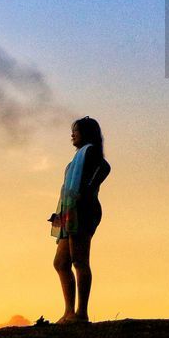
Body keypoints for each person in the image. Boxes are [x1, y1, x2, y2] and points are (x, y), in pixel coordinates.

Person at [50, 116, 111, 324]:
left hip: (83, 210)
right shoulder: (77, 157)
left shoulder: (91, 151)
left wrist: (86, 191)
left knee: (79, 260)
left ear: (86, 132)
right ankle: (69, 312)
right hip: (70, 211)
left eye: (75, 130)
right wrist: (59, 214)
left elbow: (104, 167)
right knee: (61, 262)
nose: (72, 134)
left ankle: (81, 313)